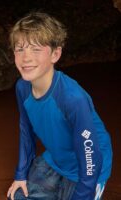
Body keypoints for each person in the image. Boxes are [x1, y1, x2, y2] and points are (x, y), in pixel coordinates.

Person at [6, 12, 113, 200]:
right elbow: (26, 131)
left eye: (36, 49)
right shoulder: (22, 87)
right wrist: (20, 174)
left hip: (89, 166)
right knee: (17, 196)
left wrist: (84, 193)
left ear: (55, 54)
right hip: (56, 158)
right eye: (19, 48)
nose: (26, 57)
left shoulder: (72, 98)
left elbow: (90, 156)